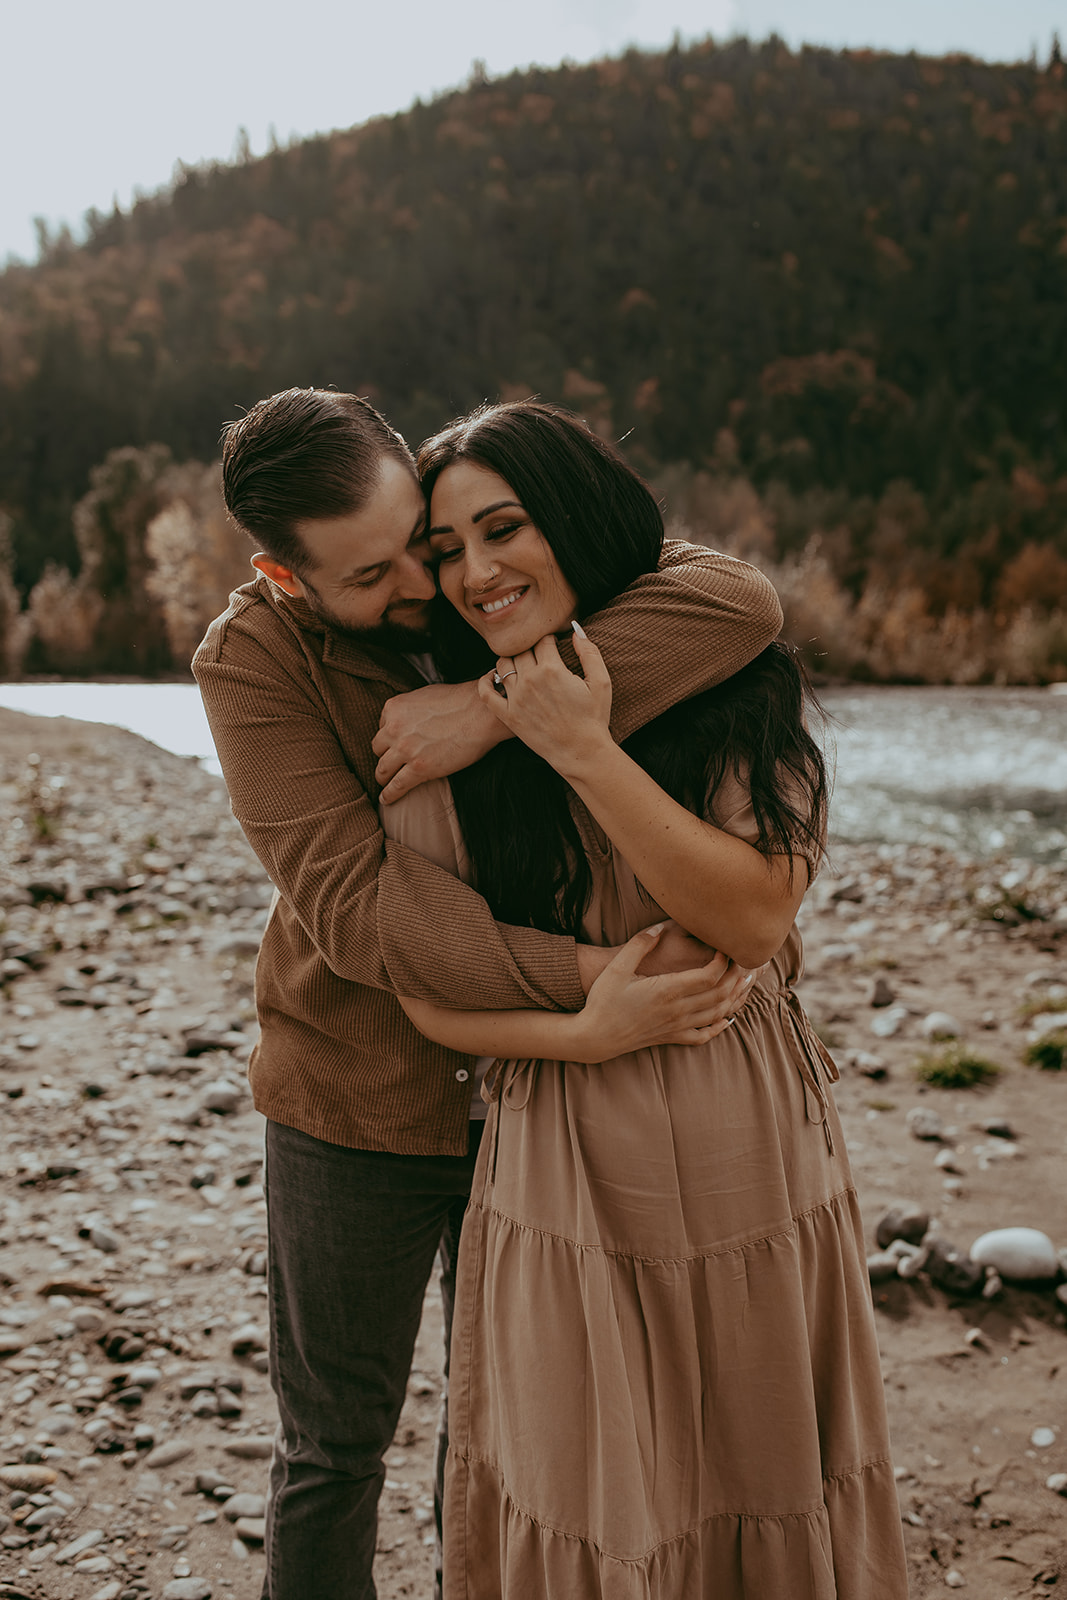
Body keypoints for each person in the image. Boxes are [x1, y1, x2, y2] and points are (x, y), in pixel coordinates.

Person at [190, 386, 786, 1600]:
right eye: (373, 577)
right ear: (288, 576)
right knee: (332, 1446)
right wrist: (590, 991)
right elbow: (360, 910)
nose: (424, 583)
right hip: (353, 1097)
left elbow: (741, 602)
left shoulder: (486, 565)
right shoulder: (251, 661)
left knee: (513, 1442)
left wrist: (485, 707)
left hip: (538, 1107)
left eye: (419, 535)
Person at [381, 400, 909, 1599]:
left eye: (502, 527)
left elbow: (753, 917)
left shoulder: (730, 687)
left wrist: (577, 745)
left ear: (572, 516)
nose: (475, 570)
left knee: (760, 1461)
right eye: (447, 549)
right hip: (562, 1153)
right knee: (585, 1483)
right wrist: (586, 1027)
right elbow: (429, 997)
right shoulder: (431, 744)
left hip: (749, 1140)